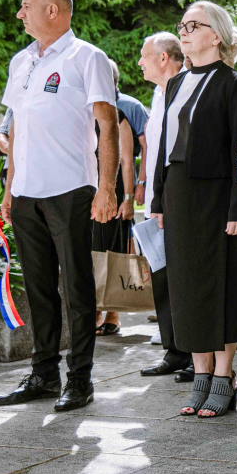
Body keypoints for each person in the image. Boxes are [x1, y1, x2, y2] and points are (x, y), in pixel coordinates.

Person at [0, 0, 118, 412]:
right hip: (27, 192)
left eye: (26, 6)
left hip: (71, 189)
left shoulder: (88, 57)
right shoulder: (21, 61)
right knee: (40, 288)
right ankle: (43, 374)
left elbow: (107, 125)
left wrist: (107, 188)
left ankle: (79, 379)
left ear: (52, 10)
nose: (20, 14)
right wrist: (10, 190)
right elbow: (17, 131)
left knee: (77, 286)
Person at [150, 1, 237, 418]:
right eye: (182, 25)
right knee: (187, 286)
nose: (185, 31)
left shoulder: (234, 84)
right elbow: (163, 147)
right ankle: (200, 373)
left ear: (216, 35)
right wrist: (158, 198)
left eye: (194, 25)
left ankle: (224, 376)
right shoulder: (174, 84)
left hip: (218, 198)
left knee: (221, 284)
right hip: (179, 195)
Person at [134, 32, 192, 379]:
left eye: (145, 55)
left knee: (181, 278)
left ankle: (190, 349)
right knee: (161, 278)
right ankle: (174, 350)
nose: (140, 62)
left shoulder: (185, 90)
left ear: (164, 59)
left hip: (174, 202)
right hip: (155, 203)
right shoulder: (157, 94)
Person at [92, 67, 137, 337]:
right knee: (91, 251)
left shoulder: (118, 116)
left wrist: (129, 199)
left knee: (110, 252)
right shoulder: (83, 113)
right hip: (86, 192)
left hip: (113, 193)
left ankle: (112, 313)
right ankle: (94, 309)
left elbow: (127, 162)